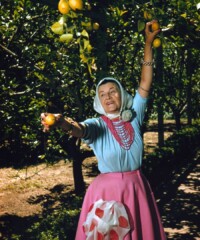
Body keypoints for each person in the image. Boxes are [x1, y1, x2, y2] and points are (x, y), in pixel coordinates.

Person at [41, 20, 166, 240]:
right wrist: (61, 122)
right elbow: (80, 129)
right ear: (99, 101)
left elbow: (145, 83)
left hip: (136, 189)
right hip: (107, 195)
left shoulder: (134, 117)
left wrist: (148, 43)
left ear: (121, 95)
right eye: (103, 94)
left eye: (113, 91)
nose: (108, 96)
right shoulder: (98, 124)